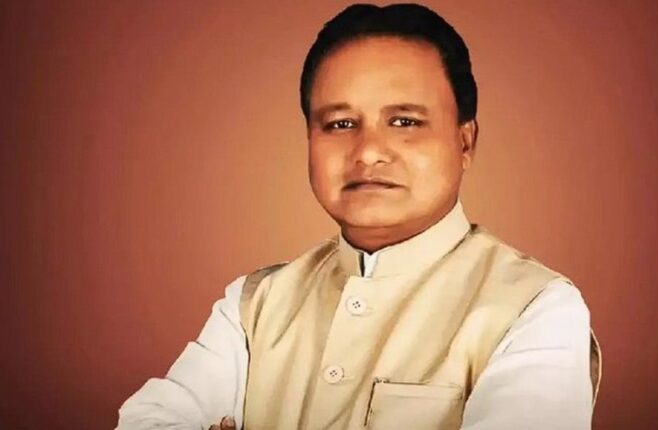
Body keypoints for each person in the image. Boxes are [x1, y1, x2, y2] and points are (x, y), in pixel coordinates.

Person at [117, 3, 601, 429]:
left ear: (465, 141)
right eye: (341, 123)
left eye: (405, 121)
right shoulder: (252, 305)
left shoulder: (535, 308)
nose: (368, 151)